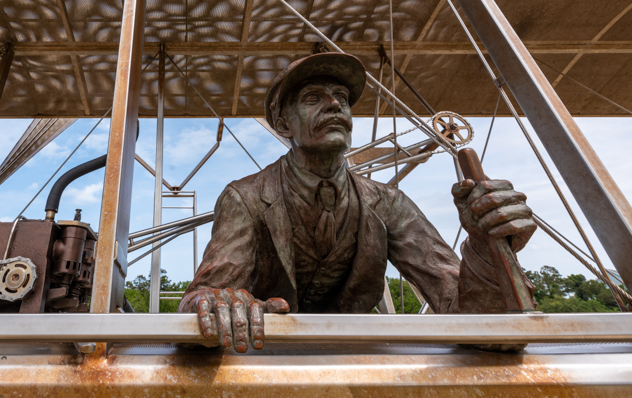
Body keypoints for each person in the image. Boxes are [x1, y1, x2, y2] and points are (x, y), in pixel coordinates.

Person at [179, 52, 537, 353]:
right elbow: (202, 298)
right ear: (283, 125)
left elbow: (473, 320)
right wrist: (216, 304)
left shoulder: (389, 203)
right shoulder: (246, 197)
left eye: (342, 98)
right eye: (312, 98)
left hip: (352, 359)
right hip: (263, 358)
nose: (335, 104)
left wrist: (486, 249)